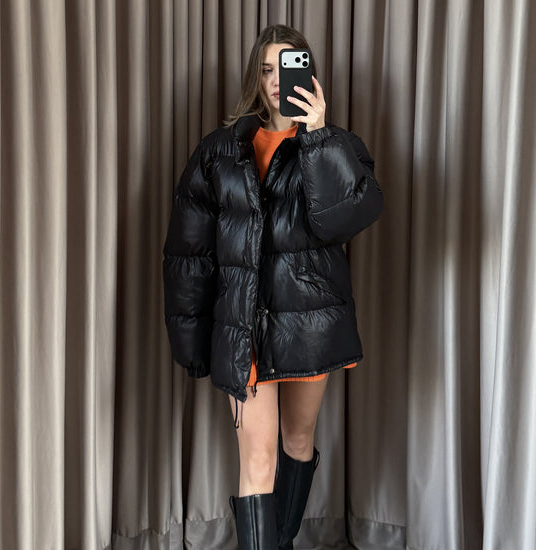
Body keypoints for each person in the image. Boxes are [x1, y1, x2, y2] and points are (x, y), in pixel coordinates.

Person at [163, 24, 382, 550]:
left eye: (287, 67)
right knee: (257, 462)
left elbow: (343, 220)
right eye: (267, 70)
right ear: (255, 79)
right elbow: (189, 254)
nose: (277, 80)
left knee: (298, 440)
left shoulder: (338, 145)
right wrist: (192, 342)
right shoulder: (219, 152)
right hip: (244, 327)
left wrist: (318, 136)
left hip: (310, 319)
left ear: (308, 73)